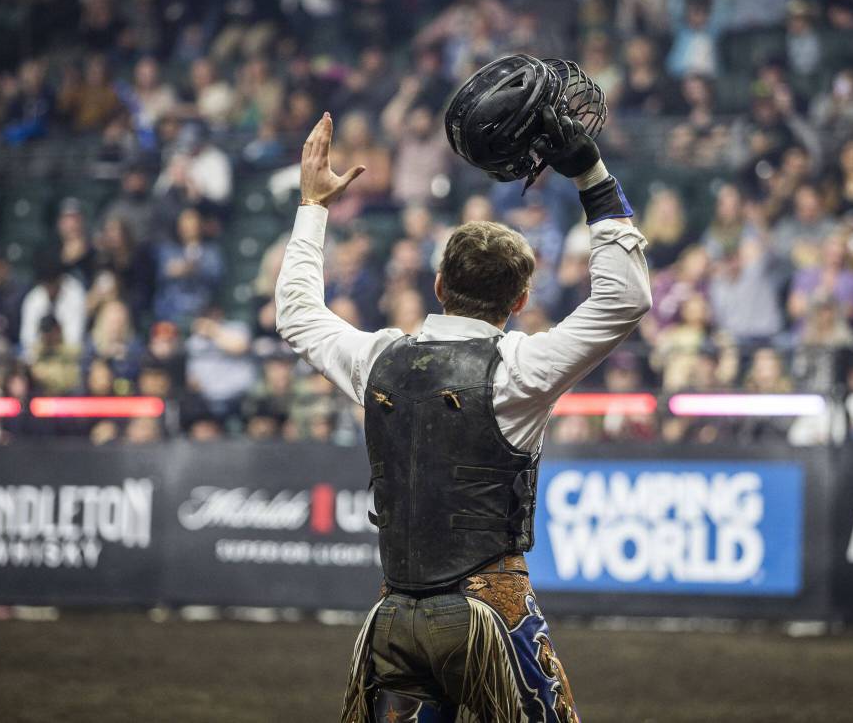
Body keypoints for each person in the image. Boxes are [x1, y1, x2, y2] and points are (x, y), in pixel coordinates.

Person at [277, 109, 650, 721]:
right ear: (521, 299)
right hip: (489, 615)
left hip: (395, 618)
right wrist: (593, 177)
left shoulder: (377, 360)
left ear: (439, 284)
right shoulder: (521, 370)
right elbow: (625, 298)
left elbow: (296, 314)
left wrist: (313, 206)